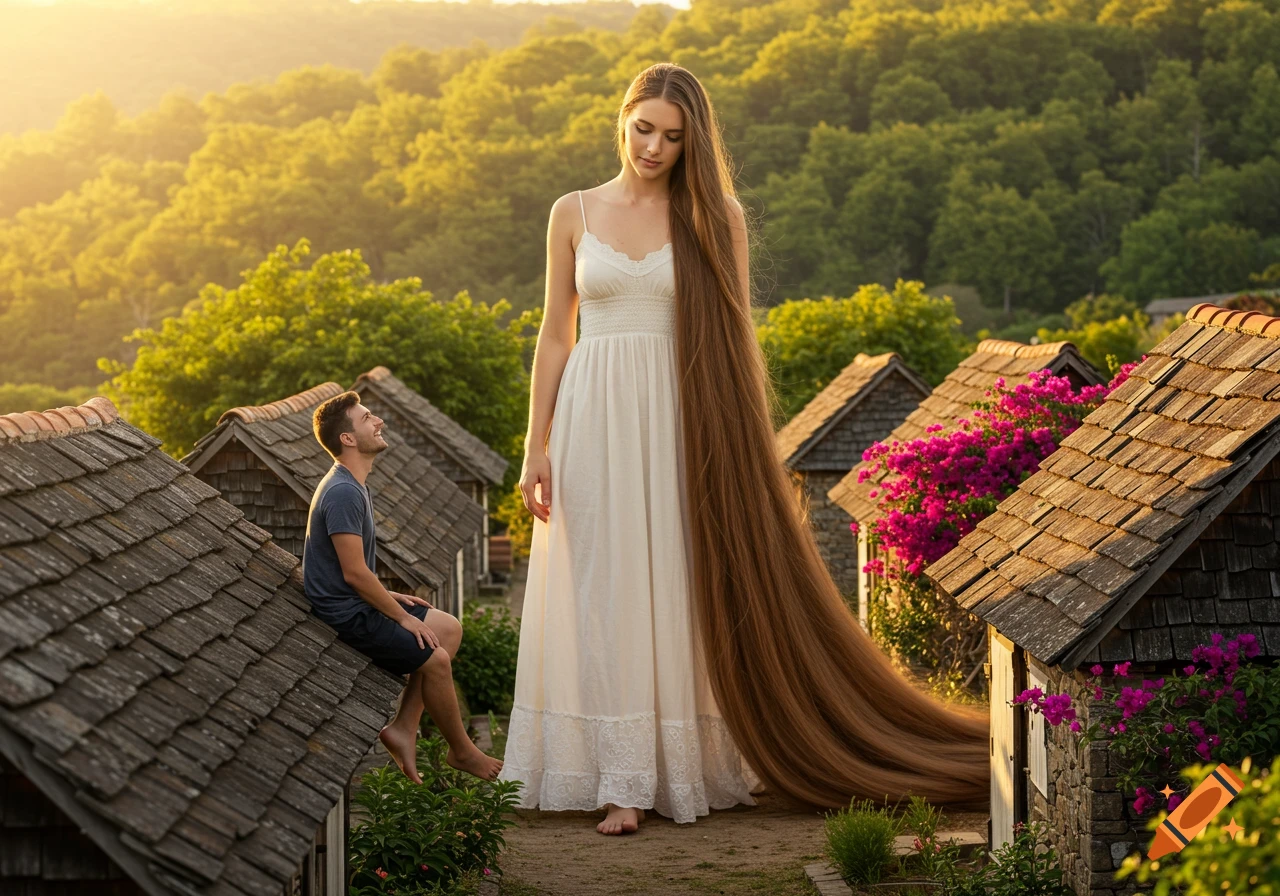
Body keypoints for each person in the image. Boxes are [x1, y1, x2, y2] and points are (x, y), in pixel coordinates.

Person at [501, 62, 989, 836]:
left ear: (693, 142)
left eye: (672, 136)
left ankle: (662, 775)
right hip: (590, 418)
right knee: (601, 584)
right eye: (643, 128)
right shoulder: (573, 211)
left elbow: (734, 339)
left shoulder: (713, 215)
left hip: (681, 419)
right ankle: (612, 775)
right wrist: (537, 447)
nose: (654, 147)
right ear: (620, 119)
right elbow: (555, 335)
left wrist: (731, 446)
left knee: (672, 582)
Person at [302, 390, 503, 785]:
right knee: (437, 658)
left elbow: (346, 568)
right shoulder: (343, 491)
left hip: (354, 599)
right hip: (346, 614)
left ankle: (403, 727)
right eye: (367, 418)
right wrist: (402, 619)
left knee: (448, 629)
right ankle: (461, 750)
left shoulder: (353, 484)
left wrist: (390, 596)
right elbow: (356, 575)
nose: (378, 422)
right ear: (347, 438)